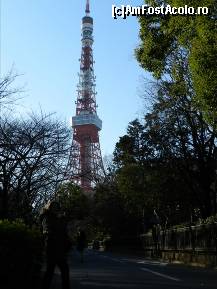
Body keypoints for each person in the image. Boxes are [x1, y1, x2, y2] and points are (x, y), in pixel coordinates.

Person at [40, 200, 71, 289]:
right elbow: (46, 230)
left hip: (60, 248)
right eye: (53, 206)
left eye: (57, 207)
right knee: (50, 271)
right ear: (49, 207)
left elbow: (64, 231)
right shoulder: (47, 217)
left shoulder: (60, 218)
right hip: (51, 247)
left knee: (64, 270)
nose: (55, 208)